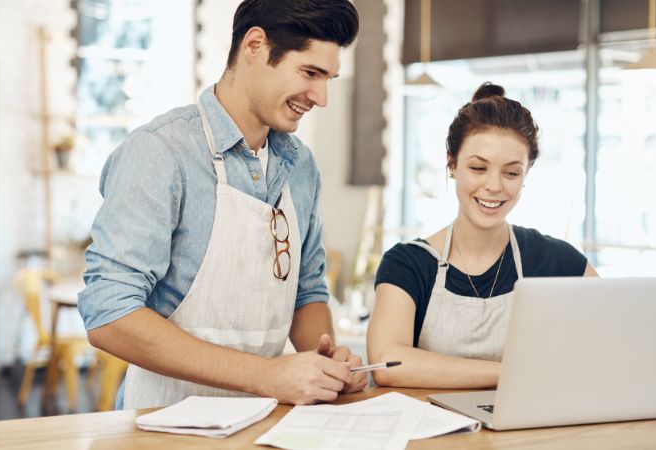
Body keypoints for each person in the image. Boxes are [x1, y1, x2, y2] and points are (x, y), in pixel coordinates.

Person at [78, 0, 367, 409]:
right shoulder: (160, 152)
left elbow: (308, 290)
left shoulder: (301, 166)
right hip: (164, 424)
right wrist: (265, 375)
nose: (321, 97)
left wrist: (327, 362)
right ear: (254, 46)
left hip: (266, 421)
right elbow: (110, 315)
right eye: (309, 73)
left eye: (328, 79)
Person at [367, 82, 598, 389]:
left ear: (526, 174)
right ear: (452, 164)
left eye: (511, 173)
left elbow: (611, 337)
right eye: (478, 168)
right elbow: (388, 363)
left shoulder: (552, 258)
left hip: (525, 432)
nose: (493, 185)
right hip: (434, 434)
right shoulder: (408, 263)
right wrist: (514, 373)